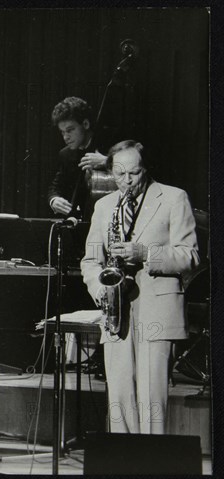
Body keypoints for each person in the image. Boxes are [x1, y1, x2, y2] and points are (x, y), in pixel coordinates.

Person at [80, 140, 199, 434]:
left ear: (145, 168)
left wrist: (145, 253)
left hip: (157, 310)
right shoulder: (104, 205)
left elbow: (190, 256)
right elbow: (91, 260)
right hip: (116, 311)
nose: (126, 182)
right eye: (119, 175)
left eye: (133, 173)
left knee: (151, 401)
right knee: (119, 400)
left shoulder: (174, 198)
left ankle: (152, 464)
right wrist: (101, 290)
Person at [48, 96, 115, 221]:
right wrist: (54, 199)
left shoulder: (109, 145)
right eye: (62, 132)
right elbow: (55, 186)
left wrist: (107, 161)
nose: (65, 137)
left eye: (70, 130)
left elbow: (135, 169)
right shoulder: (65, 154)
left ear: (85, 124)